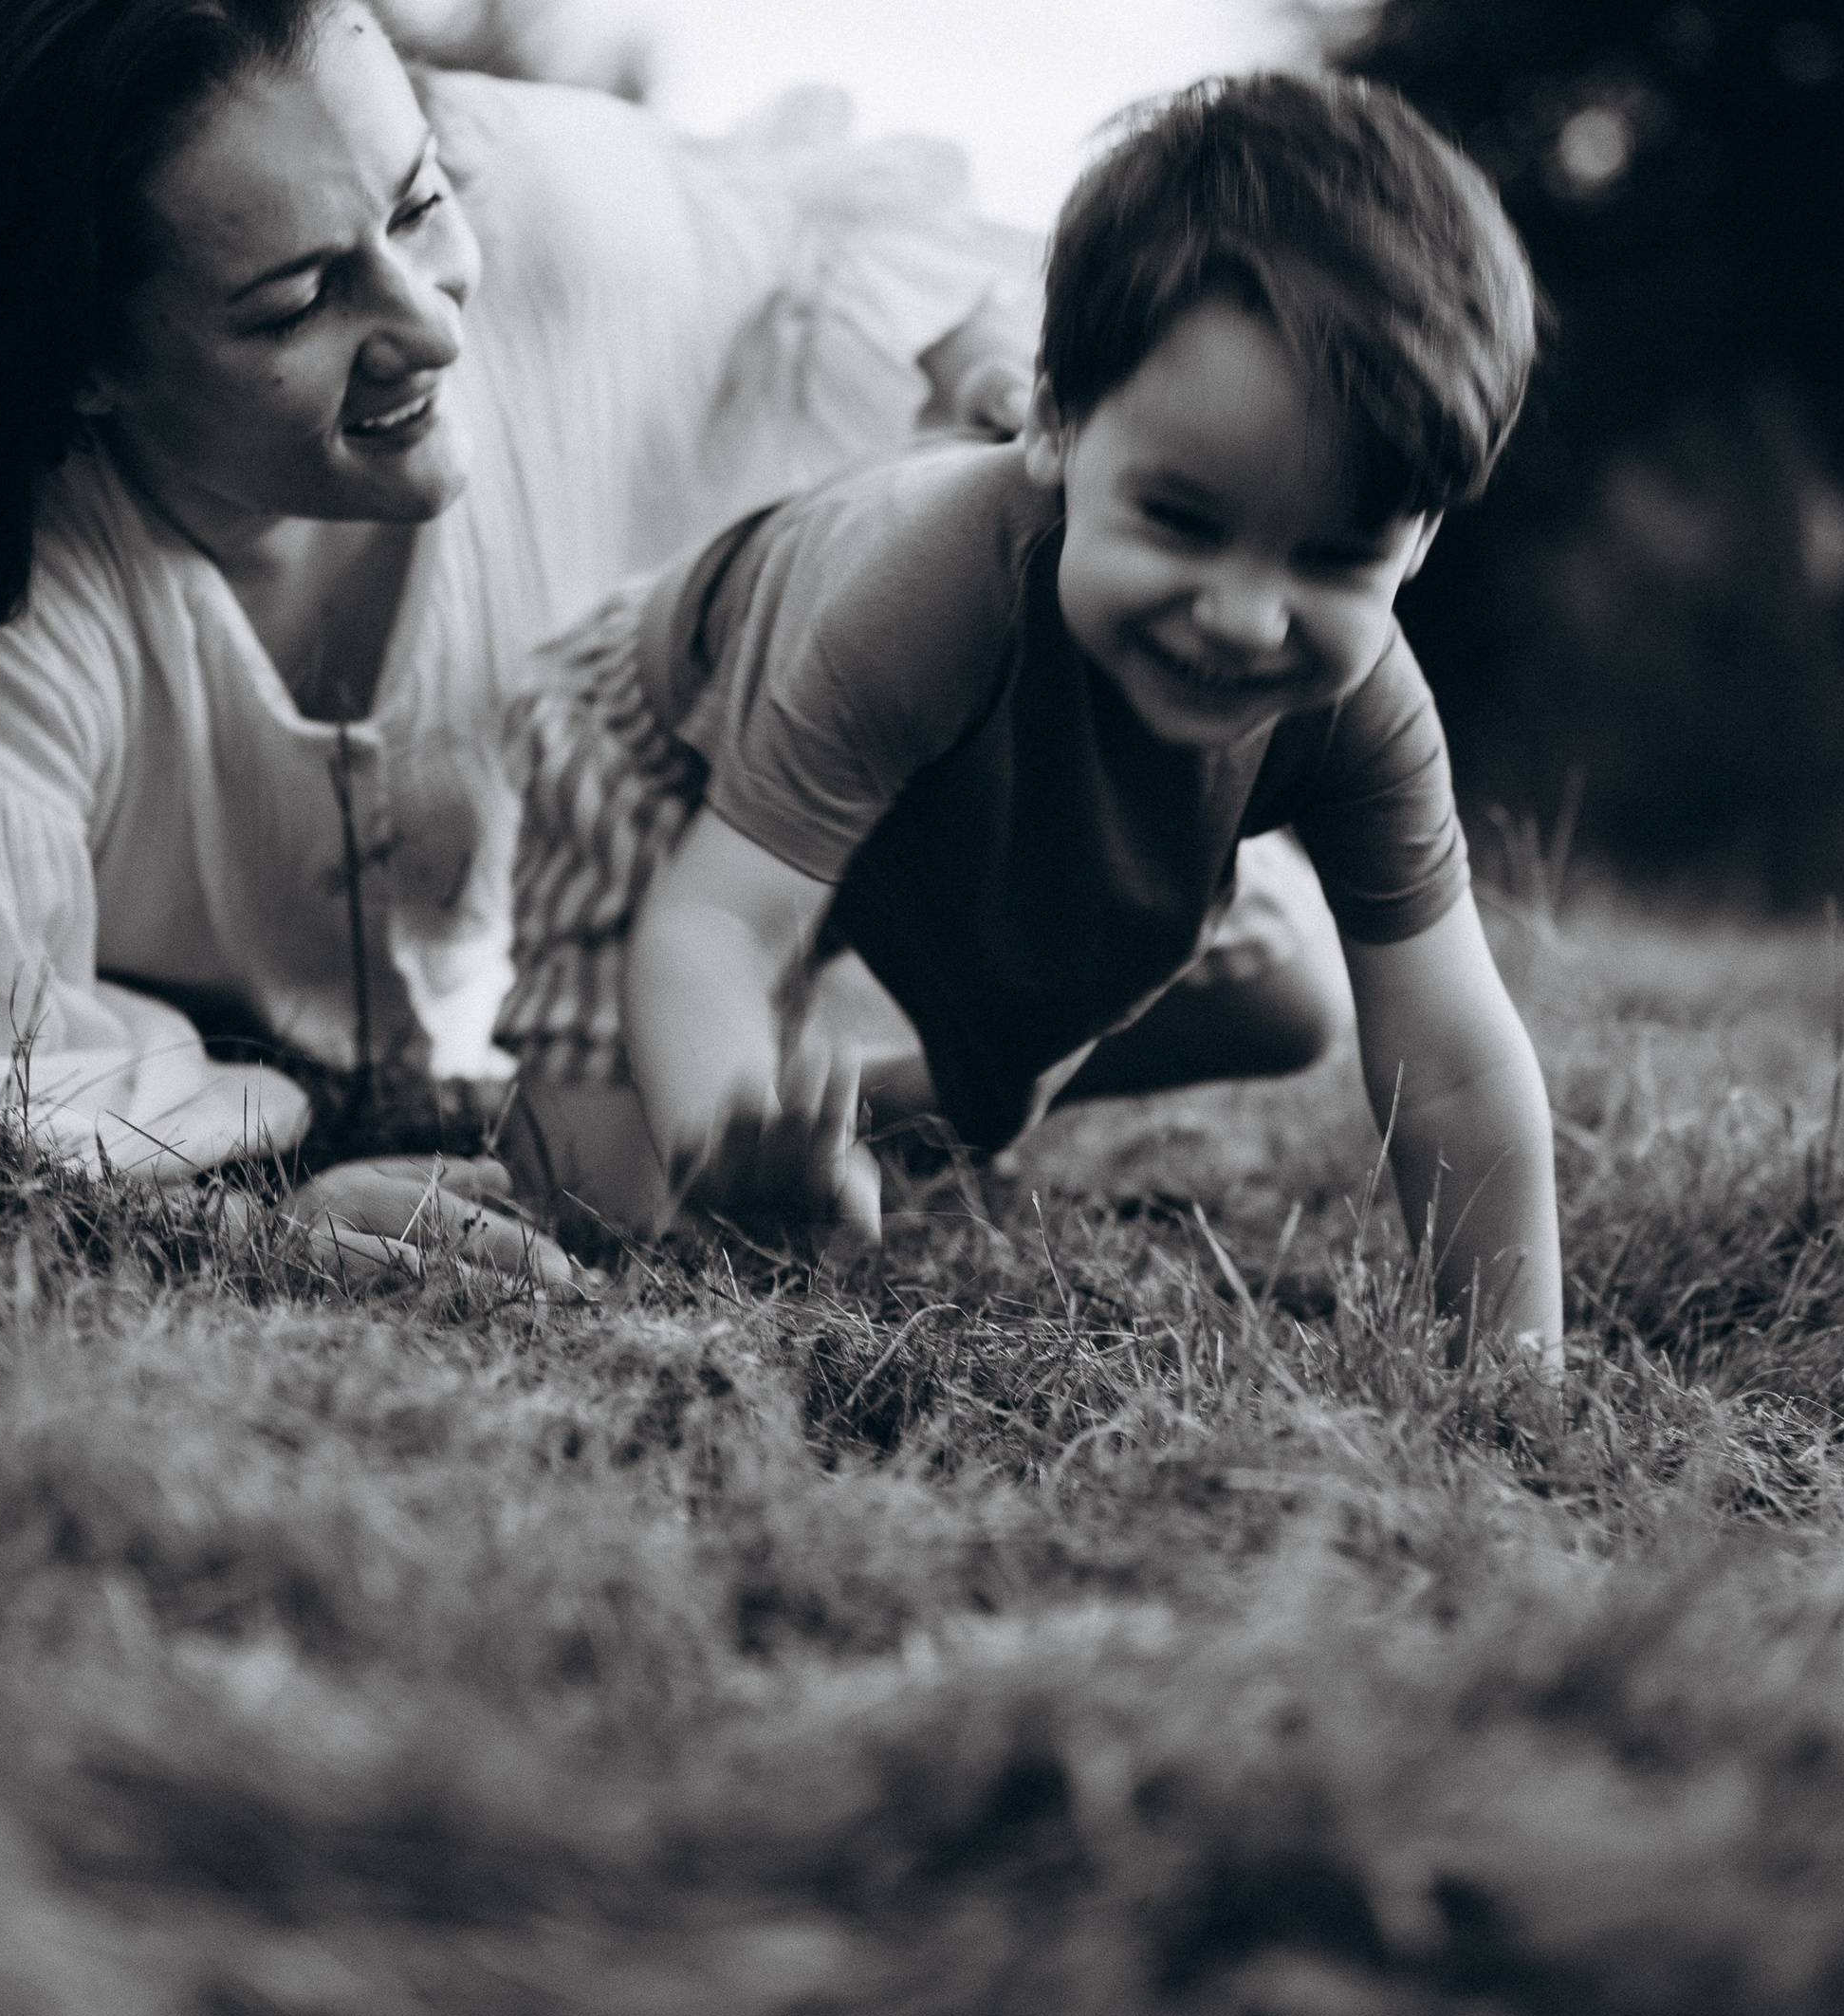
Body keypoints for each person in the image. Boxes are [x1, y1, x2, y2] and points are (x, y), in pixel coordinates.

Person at [0, 0, 1067, 1288]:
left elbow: (821, 226)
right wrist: (255, 1227)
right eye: (302, 298)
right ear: (82, 363)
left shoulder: (548, 216)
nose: (433, 325)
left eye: (416, 208)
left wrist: (990, 373)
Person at [497, 73, 1563, 1363]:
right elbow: (713, 926)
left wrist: (1516, 1369)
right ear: (1056, 424)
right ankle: (767, 1123)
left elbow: (1455, 1058)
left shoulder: (1367, 712)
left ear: (1420, 538)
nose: (1245, 617)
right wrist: (733, 1148)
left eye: (1335, 558)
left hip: (970, 776)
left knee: (1290, 1002)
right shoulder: (921, 591)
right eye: (1182, 521)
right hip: (673, 737)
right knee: (612, 1204)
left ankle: (894, 1108)